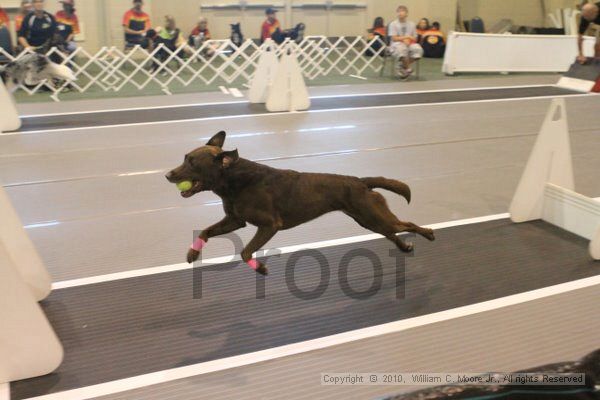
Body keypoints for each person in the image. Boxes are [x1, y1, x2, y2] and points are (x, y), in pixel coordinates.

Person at [388, 5, 423, 79]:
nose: (400, 13)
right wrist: (405, 38)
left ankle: (402, 66)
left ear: (407, 14)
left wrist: (409, 40)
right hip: (396, 44)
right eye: (398, 11)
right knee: (401, 49)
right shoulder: (393, 24)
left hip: (409, 43)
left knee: (418, 49)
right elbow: (394, 38)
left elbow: (415, 38)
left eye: (402, 11)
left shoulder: (412, 24)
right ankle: (408, 68)